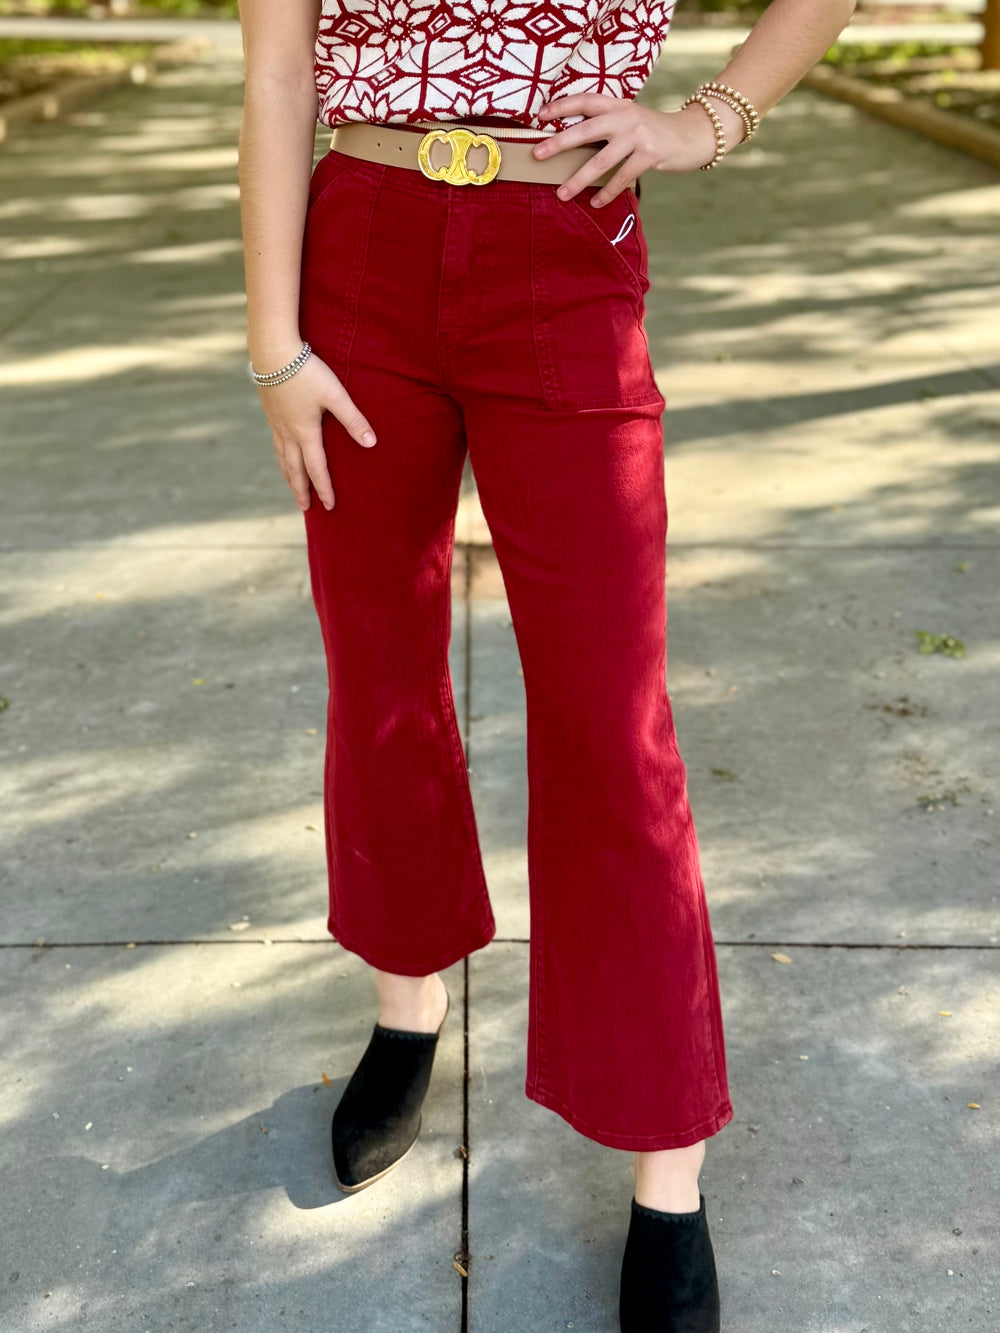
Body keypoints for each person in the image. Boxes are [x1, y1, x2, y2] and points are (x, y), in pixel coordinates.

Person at [236, 1, 857, 1327]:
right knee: (378, 668)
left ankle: (668, 1174)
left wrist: (709, 120)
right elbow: (280, 70)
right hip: (359, 248)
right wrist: (274, 347)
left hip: (565, 237)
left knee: (613, 725)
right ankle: (407, 1003)